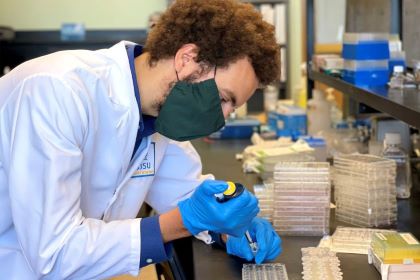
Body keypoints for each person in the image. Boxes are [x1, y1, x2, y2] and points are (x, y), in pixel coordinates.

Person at [0, 0, 282, 278]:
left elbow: (185, 193)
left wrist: (229, 228)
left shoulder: (159, 116)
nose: (221, 118)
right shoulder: (56, 91)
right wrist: (184, 222)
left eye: (232, 109)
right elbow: (55, 254)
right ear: (187, 60)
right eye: (222, 99)